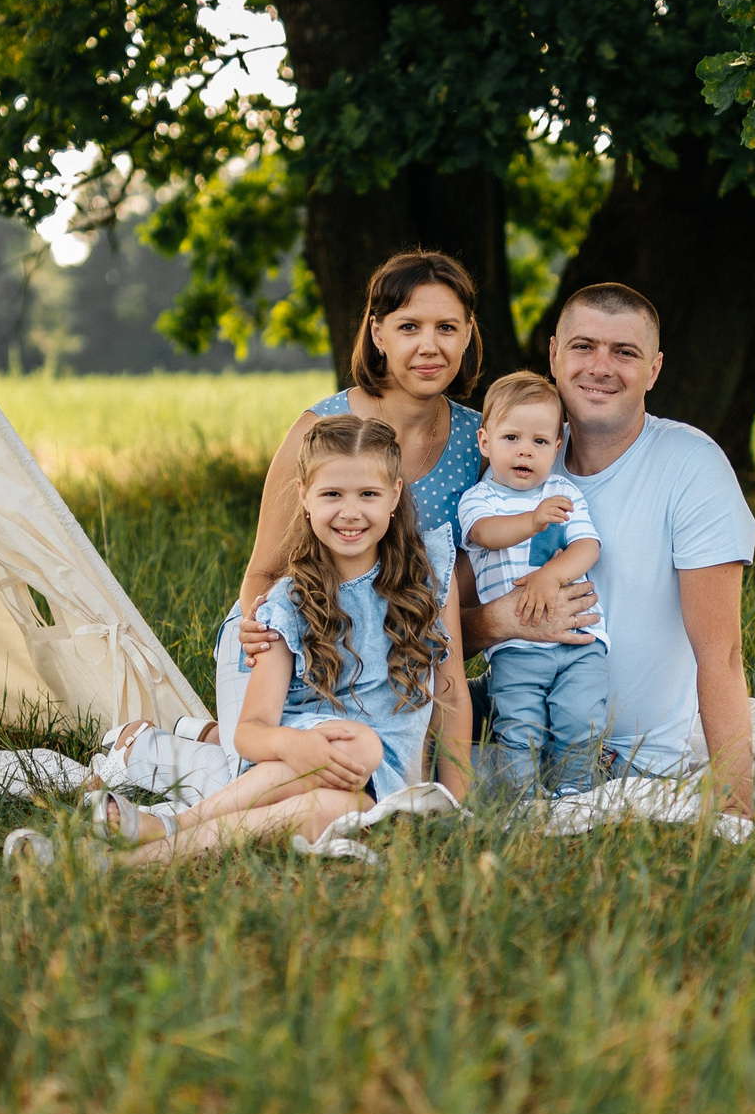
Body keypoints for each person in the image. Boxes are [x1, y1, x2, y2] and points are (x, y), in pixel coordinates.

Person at [99, 249, 486, 796]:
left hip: (386, 649)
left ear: (469, 333)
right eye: (409, 327)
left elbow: (469, 569)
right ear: (377, 333)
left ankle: (206, 736)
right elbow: (264, 571)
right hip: (292, 631)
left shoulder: (482, 440)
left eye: (447, 327)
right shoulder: (320, 428)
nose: (430, 345)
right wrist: (265, 635)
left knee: (359, 780)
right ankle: (142, 749)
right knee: (269, 779)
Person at [44, 415, 458, 863]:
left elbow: (451, 691)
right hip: (289, 763)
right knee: (357, 744)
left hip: (383, 787)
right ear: (303, 495)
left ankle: (133, 854)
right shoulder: (289, 603)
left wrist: (458, 803)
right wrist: (297, 747)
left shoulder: (427, 576)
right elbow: (250, 732)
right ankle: (158, 838)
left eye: (369, 494)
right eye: (332, 494)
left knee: (338, 801)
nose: (351, 511)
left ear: (396, 494)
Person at [461, 283, 755, 814]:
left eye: (625, 352)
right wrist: (499, 623)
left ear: (654, 369)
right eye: (583, 346)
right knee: (388, 720)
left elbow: (723, 653)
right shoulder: (516, 459)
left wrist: (736, 804)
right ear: (554, 354)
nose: (600, 366)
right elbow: (444, 630)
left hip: (620, 753)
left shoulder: (691, 466)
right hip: (517, 701)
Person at [458, 371, 607, 792]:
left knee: (581, 718)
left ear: (556, 448)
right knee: (520, 726)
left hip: (581, 641)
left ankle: (572, 795)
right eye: (512, 439)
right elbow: (487, 534)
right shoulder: (479, 499)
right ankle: (522, 802)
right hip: (517, 647)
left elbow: (587, 547)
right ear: (486, 442)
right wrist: (533, 519)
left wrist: (550, 575)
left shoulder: (564, 491)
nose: (526, 451)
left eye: (540, 442)